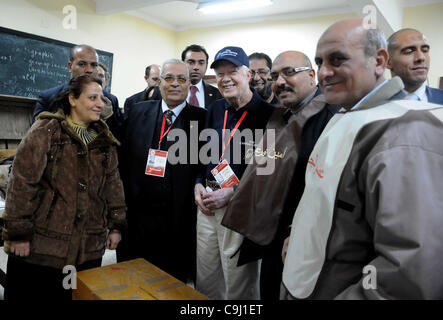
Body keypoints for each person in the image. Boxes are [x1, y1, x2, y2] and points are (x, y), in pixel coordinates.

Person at [281, 18, 443, 300]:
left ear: (379, 61)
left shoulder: (405, 132)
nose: (323, 73)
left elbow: (407, 272)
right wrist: (300, 237)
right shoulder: (347, 114)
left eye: (337, 59)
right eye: (319, 62)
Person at [222, 50, 339, 300]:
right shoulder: (279, 114)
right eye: (275, 75)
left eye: (289, 72)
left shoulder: (331, 117)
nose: (280, 81)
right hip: (271, 235)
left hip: (304, 238)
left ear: (311, 75)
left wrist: (297, 231)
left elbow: (328, 188)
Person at [2, 74, 127, 300]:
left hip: (89, 243)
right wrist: (18, 234)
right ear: (72, 99)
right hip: (45, 244)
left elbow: (113, 185)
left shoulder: (104, 140)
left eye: (101, 98)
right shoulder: (45, 130)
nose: (100, 104)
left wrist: (116, 225)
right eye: (92, 97)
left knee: (75, 294)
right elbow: (22, 183)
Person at [194, 46, 274, 300]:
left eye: (233, 71)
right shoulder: (216, 110)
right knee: (207, 276)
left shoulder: (270, 115)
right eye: (219, 73)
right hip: (207, 204)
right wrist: (198, 183)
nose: (225, 78)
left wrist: (232, 193)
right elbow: (204, 154)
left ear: (248, 74)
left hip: (241, 208)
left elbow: (269, 172)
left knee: (238, 283)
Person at [117, 59, 206, 283]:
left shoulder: (202, 119)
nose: (175, 84)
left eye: (181, 79)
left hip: (179, 220)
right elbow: (122, 159)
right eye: (168, 78)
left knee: (171, 283)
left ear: (189, 85)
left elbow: (206, 165)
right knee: (132, 280)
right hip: (138, 216)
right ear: (159, 82)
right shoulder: (137, 112)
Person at [33, 44, 123, 140]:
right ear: (70, 66)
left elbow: (118, 139)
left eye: (94, 65)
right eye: (82, 64)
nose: (89, 70)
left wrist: (107, 117)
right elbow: (35, 137)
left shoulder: (110, 101)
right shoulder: (48, 97)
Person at [387, 28, 443, 104]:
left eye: (425, 50)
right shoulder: (370, 103)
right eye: (409, 51)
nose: (421, 57)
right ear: (388, 62)